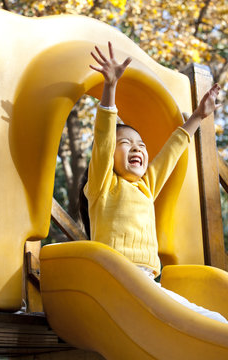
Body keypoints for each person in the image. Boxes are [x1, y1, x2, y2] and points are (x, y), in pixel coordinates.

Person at [80, 41, 227, 323]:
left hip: (147, 283)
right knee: (198, 320)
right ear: (108, 157)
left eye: (141, 145)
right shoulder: (102, 186)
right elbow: (103, 140)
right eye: (125, 143)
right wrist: (110, 89)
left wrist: (197, 116)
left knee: (207, 320)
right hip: (115, 280)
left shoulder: (146, 187)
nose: (136, 148)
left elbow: (171, 152)